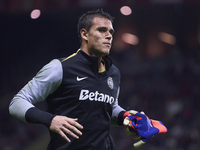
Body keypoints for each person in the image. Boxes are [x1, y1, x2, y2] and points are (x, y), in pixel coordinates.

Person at [9, 9, 167, 150]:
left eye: (111, 32)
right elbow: (17, 103)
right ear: (84, 34)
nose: (109, 36)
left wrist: (126, 117)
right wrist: (51, 120)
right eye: (102, 30)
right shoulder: (60, 68)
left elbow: (108, 108)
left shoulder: (114, 73)